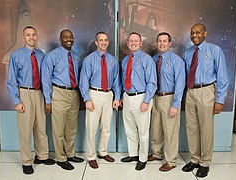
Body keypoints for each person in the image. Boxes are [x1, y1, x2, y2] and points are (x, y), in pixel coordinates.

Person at [182, 23, 229, 178]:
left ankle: (205, 163)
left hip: (207, 91)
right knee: (192, 128)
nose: (194, 35)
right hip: (191, 92)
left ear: (205, 33)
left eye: (198, 32)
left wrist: (220, 100)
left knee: (206, 129)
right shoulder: (188, 53)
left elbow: (222, 77)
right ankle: (194, 159)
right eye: (192, 32)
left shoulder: (215, 50)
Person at [7, 26, 55, 175]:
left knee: (41, 127)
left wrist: (47, 99)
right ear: (23, 37)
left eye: (34, 35)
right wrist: (17, 101)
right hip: (25, 93)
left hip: (39, 93)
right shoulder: (16, 55)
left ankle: (42, 156)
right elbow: (11, 80)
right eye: (28, 35)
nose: (31, 37)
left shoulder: (42, 55)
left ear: (37, 36)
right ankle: (27, 161)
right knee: (25, 129)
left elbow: (46, 79)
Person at [41, 29, 84, 171]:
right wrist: (48, 101)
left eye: (70, 37)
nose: (68, 39)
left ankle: (70, 154)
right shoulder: (51, 56)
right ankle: (61, 158)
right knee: (58, 128)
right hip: (59, 93)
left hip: (74, 94)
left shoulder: (76, 56)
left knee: (71, 128)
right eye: (65, 37)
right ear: (60, 39)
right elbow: (45, 79)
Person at [79, 32, 121, 169]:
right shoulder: (89, 60)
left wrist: (117, 97)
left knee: (106, 127)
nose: (103, 42)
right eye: (100, 40)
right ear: (96, 42)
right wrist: (87, 99)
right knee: (91, 128)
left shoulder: (113, 60)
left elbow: (116, 81)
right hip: (94, 94)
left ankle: (103, 152)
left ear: (108, 42)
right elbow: (83, 81)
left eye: (105, 40)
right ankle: (91, 155)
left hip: (108, 95)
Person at [148, 32, 185, 172]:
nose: (162, 43)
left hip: (169, 98)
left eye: (165, 41)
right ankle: (157, 154)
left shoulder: (176, 60)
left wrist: (175, 104)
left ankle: (171, 160)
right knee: (156, 128)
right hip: (155, 97)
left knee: (170, 131)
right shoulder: (153, 59)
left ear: (169, 43)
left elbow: (180, 84)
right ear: (157, 43)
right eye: (159, 41)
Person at [120, 32, 157, 171]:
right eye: (131, 41)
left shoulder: (147, 59)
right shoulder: (125, 60)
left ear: (141, 43)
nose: (133, 43)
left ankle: (142, 158)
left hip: (141, 97)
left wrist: (146, 101)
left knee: (143, 131)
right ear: (128, 43)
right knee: (130, 129)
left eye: (136, 41)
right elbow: (124, 80)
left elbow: (152, 82)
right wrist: (123, 96)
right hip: (127, 97)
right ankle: (133, 154)